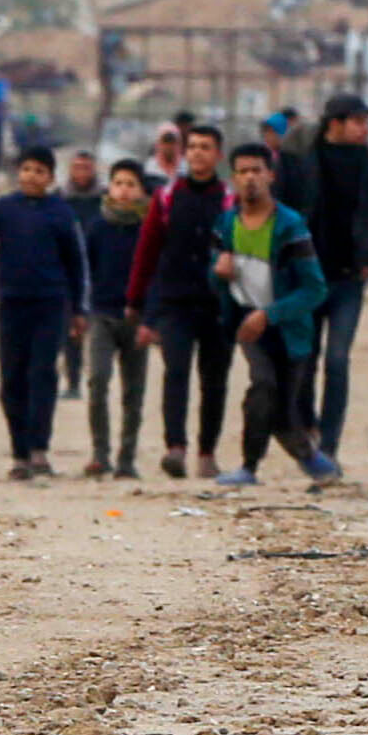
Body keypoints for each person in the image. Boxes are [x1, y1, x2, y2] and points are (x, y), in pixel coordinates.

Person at [0, 144, 91, 478]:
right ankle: (19, 454)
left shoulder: (61, 212)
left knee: (42, 374)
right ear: (18, 173)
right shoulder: (2, 209)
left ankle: (39, 449)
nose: (31, 176)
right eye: (26, 169)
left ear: (51, 178)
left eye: (39, 171)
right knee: (13, 378)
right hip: (11, 304)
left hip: (51, 304)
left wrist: (79, 309)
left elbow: (75, 263)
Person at [293, 95, 368, 480]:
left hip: (348, 278)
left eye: (366, 121)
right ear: (334, 123)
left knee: (337, 361)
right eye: (357, 121)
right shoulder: (304, 160)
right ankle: (306, 425)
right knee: (304, 359)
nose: (364, 128)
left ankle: (329, 446)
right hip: (307, 277)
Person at [212, 144, 329, 488]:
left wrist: (271, 314)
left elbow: (315, 288)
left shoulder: (290, 227)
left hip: (290, 330)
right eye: (243, 171)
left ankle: (311, 458)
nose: (250, 178)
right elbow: (219, 277)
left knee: (283, 410)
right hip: (250, 327)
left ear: (270, 176)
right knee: (262, 386)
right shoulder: (227, 224)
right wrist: (218, 274)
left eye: (257, 170)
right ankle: (249, 467)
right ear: (233, 178)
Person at [127, 124, 235, 480]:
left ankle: (207, 452)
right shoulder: (167, 196)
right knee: (175, 373)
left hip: (219, 305)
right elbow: (147, 251)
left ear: (218, 154)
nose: (199, 153)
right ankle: (176, 448)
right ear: (185, 153)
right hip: (176, 302)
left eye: (206, 147)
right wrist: (137, 301)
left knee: (214, 379)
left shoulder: (230, 200)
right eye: (193, 147)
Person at [82, 158, 154, 480]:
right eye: (118, 183)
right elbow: (86, 271)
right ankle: (100, 453)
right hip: (102, 315)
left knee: (133, 392)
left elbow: (156, 273)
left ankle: (127, 458)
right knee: (98, 380)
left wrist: (151, 317)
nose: (124, 191)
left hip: (137, 318)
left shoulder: (150, 229)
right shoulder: (96, 227)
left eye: (131, 184)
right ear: (109, 187)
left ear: (141, 191)